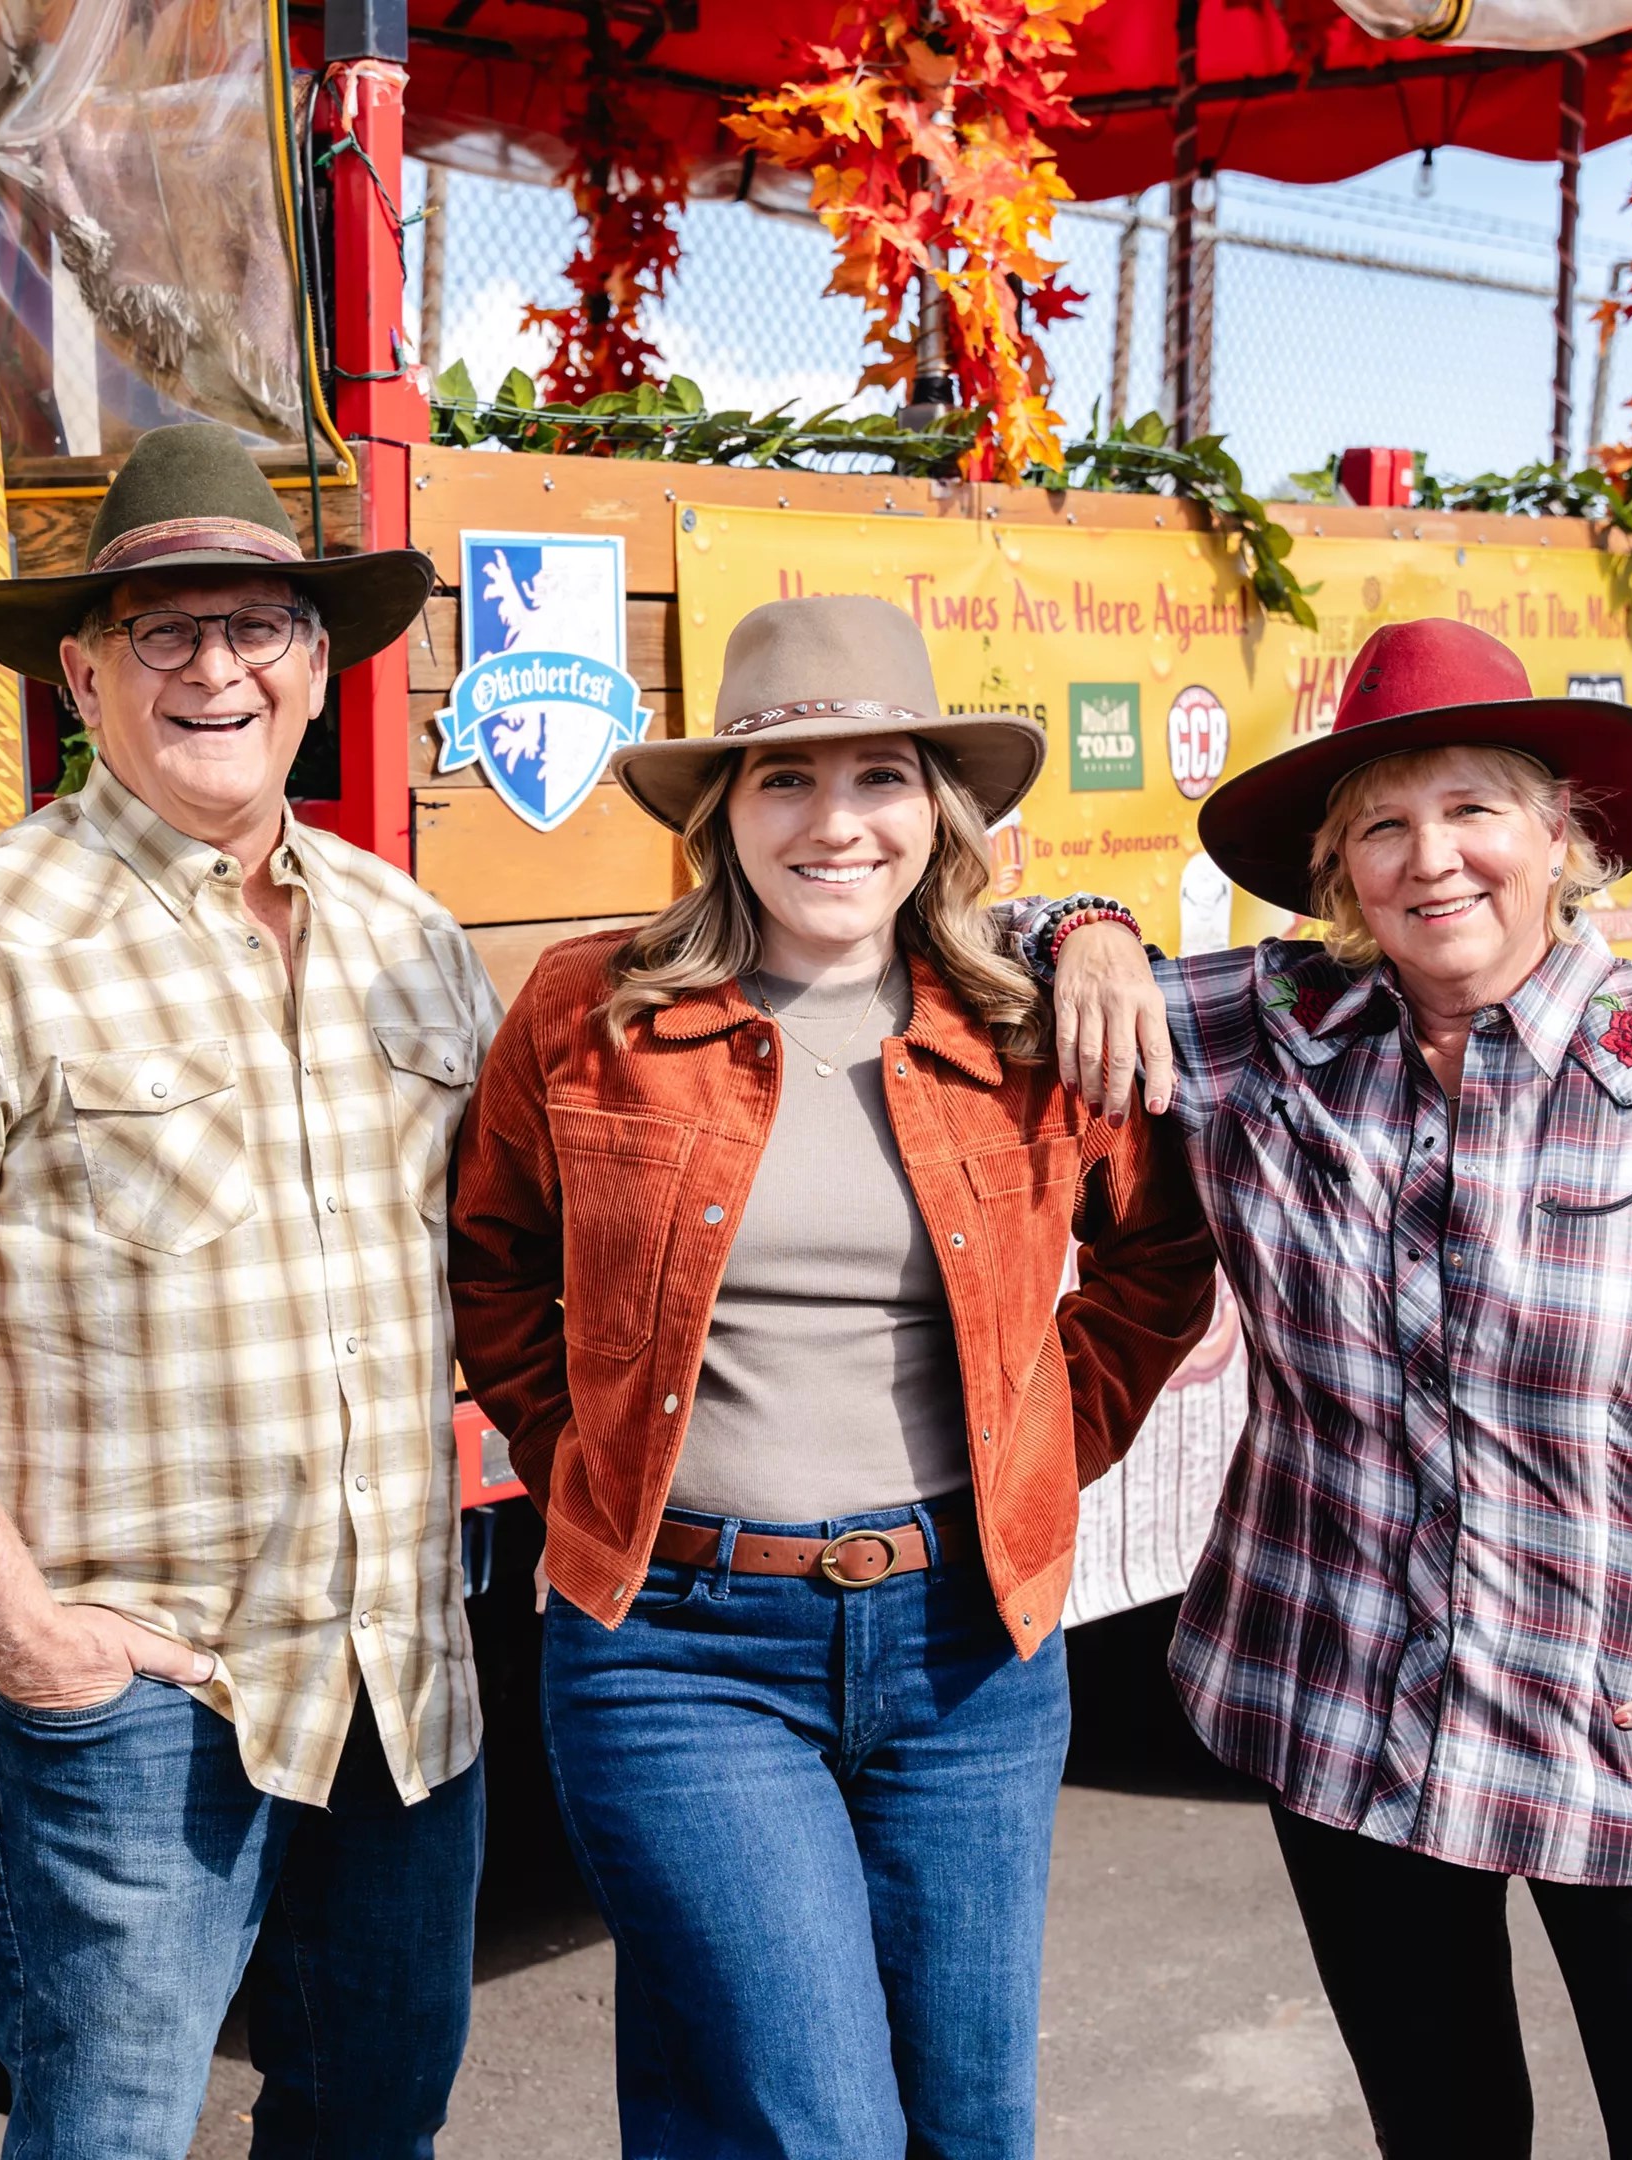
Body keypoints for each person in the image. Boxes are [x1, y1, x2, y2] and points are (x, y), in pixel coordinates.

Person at [1022, 617, 1632, 2160]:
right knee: (1446, 2136)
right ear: (1341, 872)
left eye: (1474, 809)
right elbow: (972, 956)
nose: (1434, 860)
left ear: (1562, 836)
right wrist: (1080, 926)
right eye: (1385, 828)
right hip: (1341, 1716)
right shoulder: (1271, 1035)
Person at [0, 423, 494, 2158]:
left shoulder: (410, 935)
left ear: (320, 667)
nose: (216, 668)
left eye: (258, 625)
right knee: (109, 2141)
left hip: (401, 1675)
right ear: (83, 670)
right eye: (166, 629)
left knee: (376, 2124)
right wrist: (27, 1643)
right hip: (144, 1705)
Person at [447, 595, 1217, 2156]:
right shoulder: (594, 1015)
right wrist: (579, 1449)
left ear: (938, 812)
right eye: (784, 781)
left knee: (964, 2121)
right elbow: (494, 1260)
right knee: (818, 2123)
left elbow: (1158, 1262)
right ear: (721, 817)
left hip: (970, 1651)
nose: (835, 823)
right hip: (679, 1652)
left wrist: (1041, 1447)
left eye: (879, 779)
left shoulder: (1030, 1024)